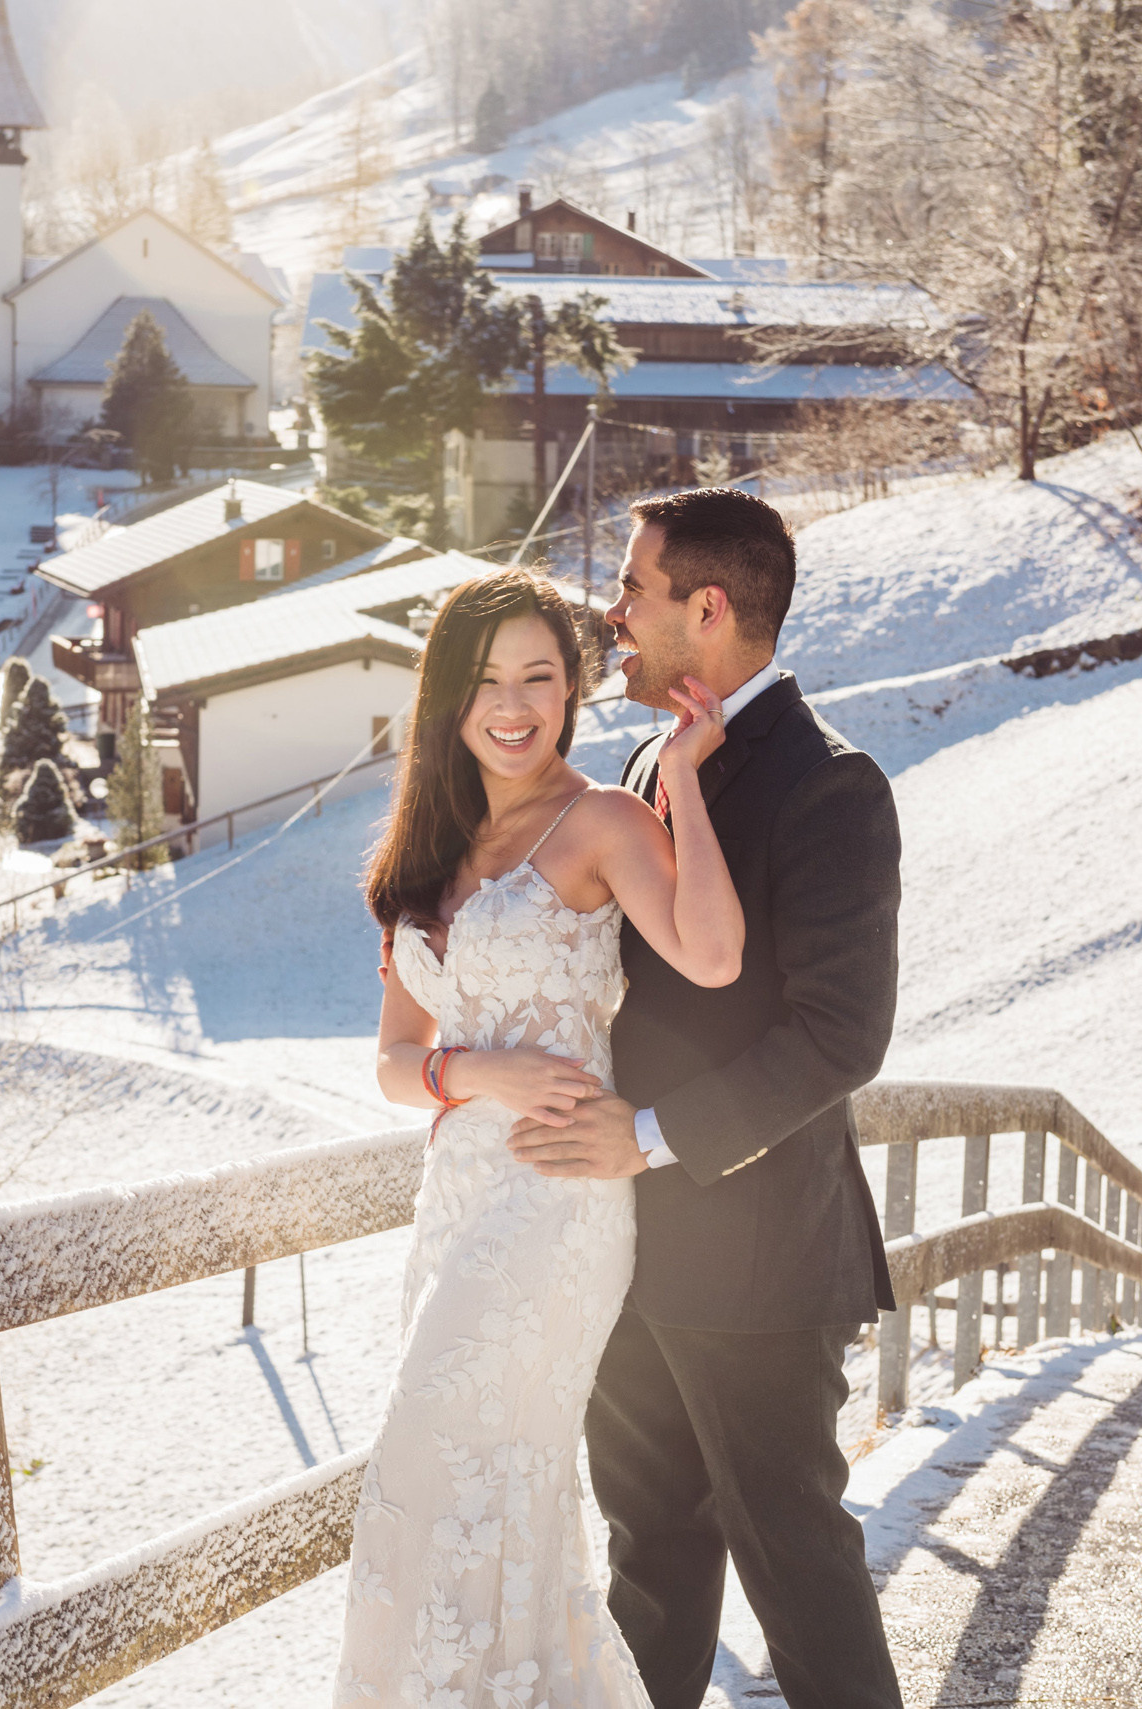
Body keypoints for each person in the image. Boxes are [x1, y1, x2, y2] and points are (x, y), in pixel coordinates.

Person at [507, 487, 904, 1708]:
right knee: (650, 1572)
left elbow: (842, 1035)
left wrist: (648, 1137)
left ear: (708, 607)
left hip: (760, 1265)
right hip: (623, 1251)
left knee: (797, 1570)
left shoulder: (830, 783)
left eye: (633, 589)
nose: (612, 614)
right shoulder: (641, 760)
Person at [337, 566, 746, 1708]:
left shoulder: (603, 819)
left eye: (540, 677)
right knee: (482, 1493)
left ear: (570, 690)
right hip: (457, 1197)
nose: (513, 705)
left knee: (430, 1466)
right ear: (446, 697)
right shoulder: (424, 842)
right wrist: (474, 1072)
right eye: (487, 680)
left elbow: (712, 955)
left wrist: (680, 784)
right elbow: (391, 1062)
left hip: (559, 1199)